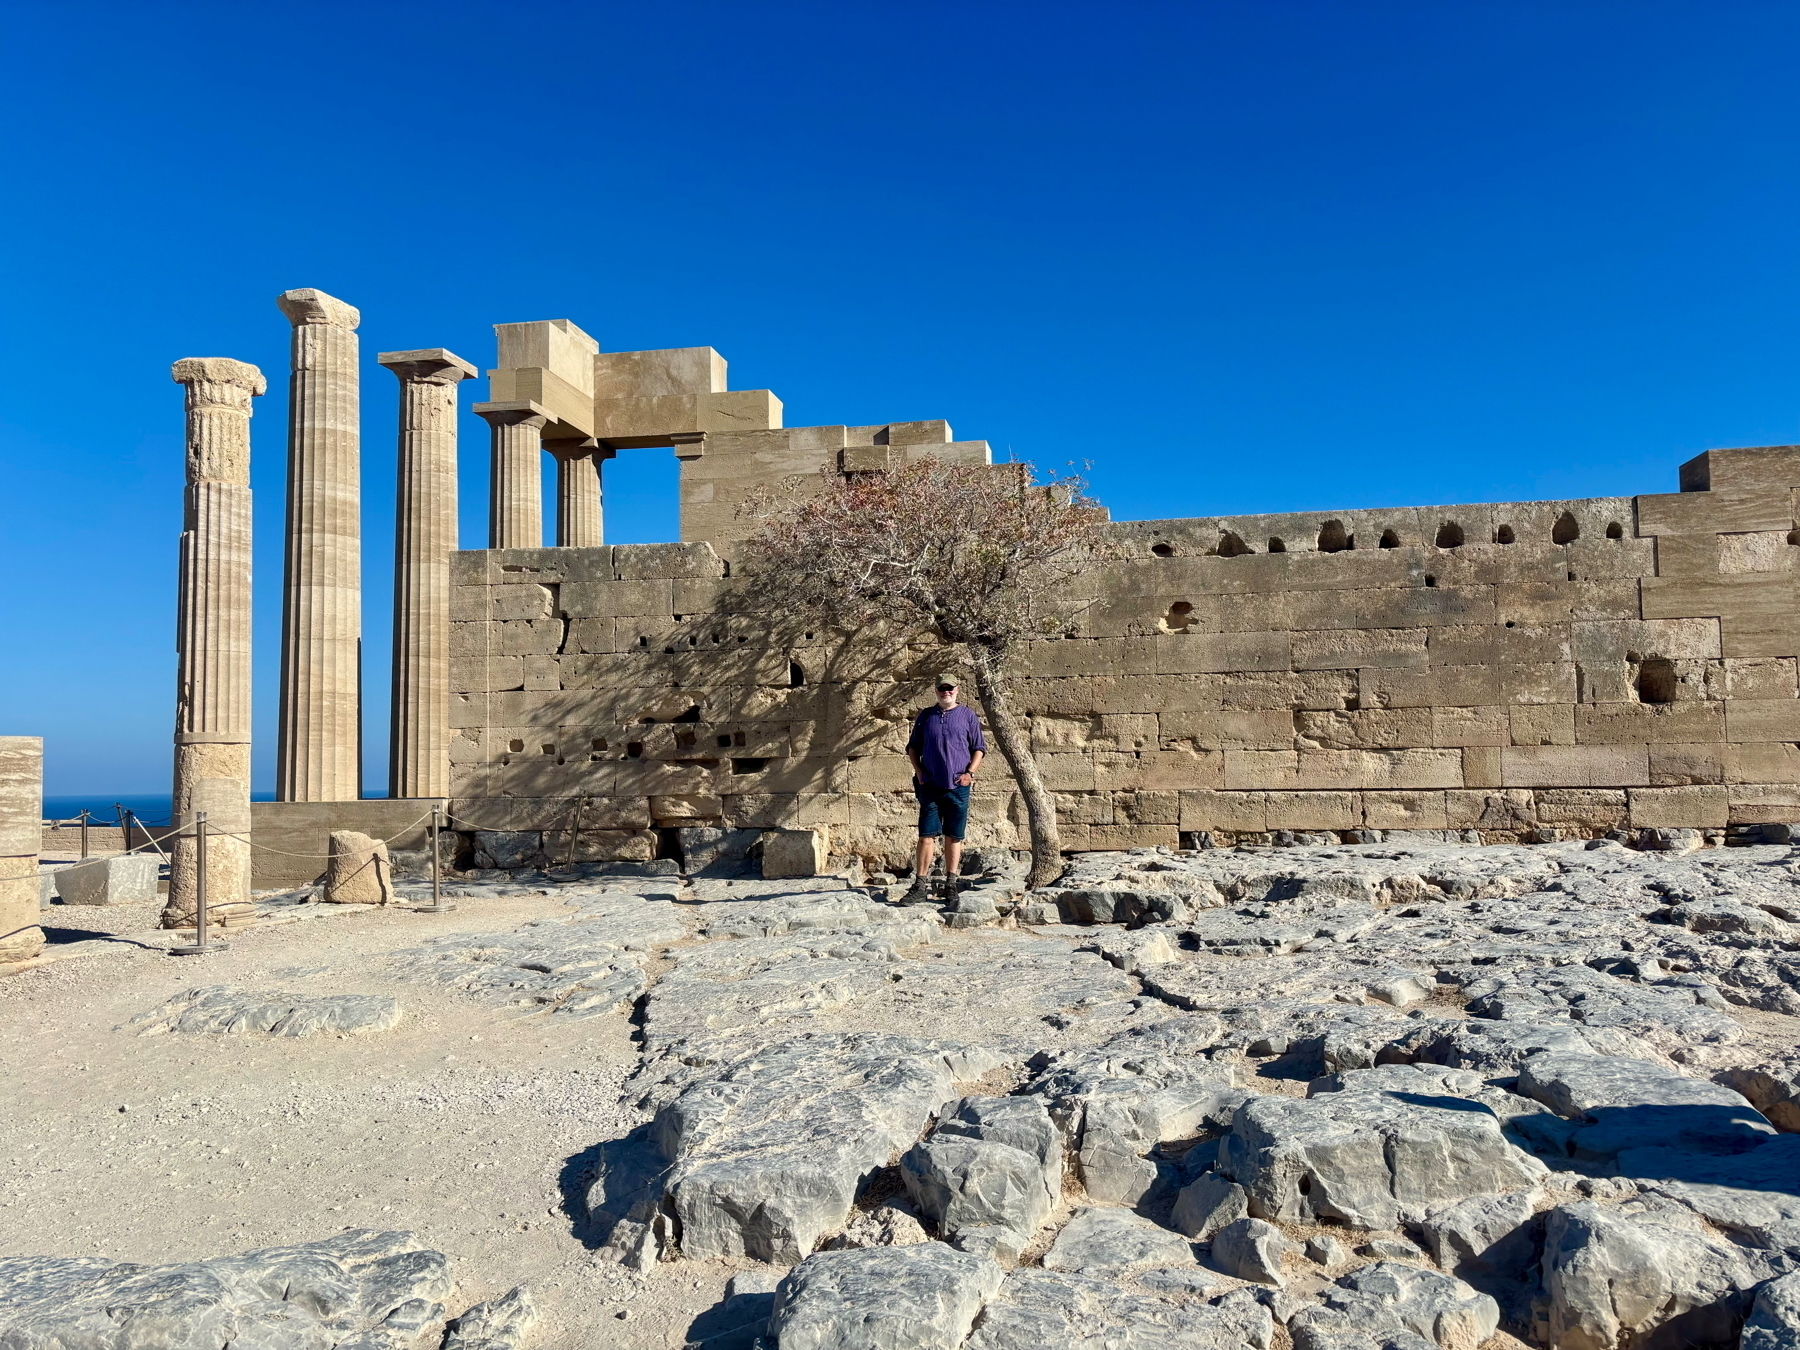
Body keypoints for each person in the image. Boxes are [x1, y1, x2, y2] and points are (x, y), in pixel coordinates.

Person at [903, 679, 986, 903]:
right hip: (929, 785)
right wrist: (919, 772)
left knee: (954, 836)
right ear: (936, 691)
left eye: (950, 688)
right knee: (926, 836)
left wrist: (970, 773)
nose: (946, 692)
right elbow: (913, 748)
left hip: (958, 786)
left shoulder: (968, 715)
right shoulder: (926, 716)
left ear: (957, 690)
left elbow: (979, 748)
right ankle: (920, 886)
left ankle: (951, 884)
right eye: (941, 688)